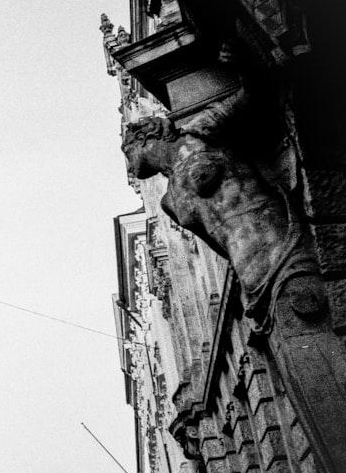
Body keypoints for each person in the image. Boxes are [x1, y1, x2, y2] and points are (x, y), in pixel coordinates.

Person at [121, 114, 316, 322]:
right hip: (252, 287)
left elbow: (251, 97)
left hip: (286, 252)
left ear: (142, 139)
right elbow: (218, 246)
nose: (131, 168)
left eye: (128, 155)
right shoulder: (169, 202)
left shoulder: (200, 133)